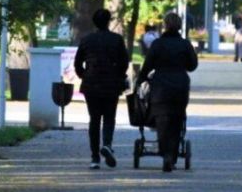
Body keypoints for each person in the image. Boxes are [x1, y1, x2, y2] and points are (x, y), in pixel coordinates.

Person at [137, 12, 198, 172]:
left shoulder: (157, 44)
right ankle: (172, 154)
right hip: (179, 85)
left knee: (162, 120)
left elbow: (148, 65)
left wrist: (140, 80)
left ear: (165, 25)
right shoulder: (185, 44)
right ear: (179, 26)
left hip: (160, 86)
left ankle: (165, 154)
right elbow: (192, 65)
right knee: (176, 121)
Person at [74, 9, 130, 169]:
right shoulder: (117, 40)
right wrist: (118, 75)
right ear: (108, 21)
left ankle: (94, 157)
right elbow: (124, 63)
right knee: (109, 117)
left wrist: (84, 75)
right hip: (111, 84)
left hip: (91, 84)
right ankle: (106, 144)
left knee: (94, 119)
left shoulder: (86, 40)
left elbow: (78, 63)